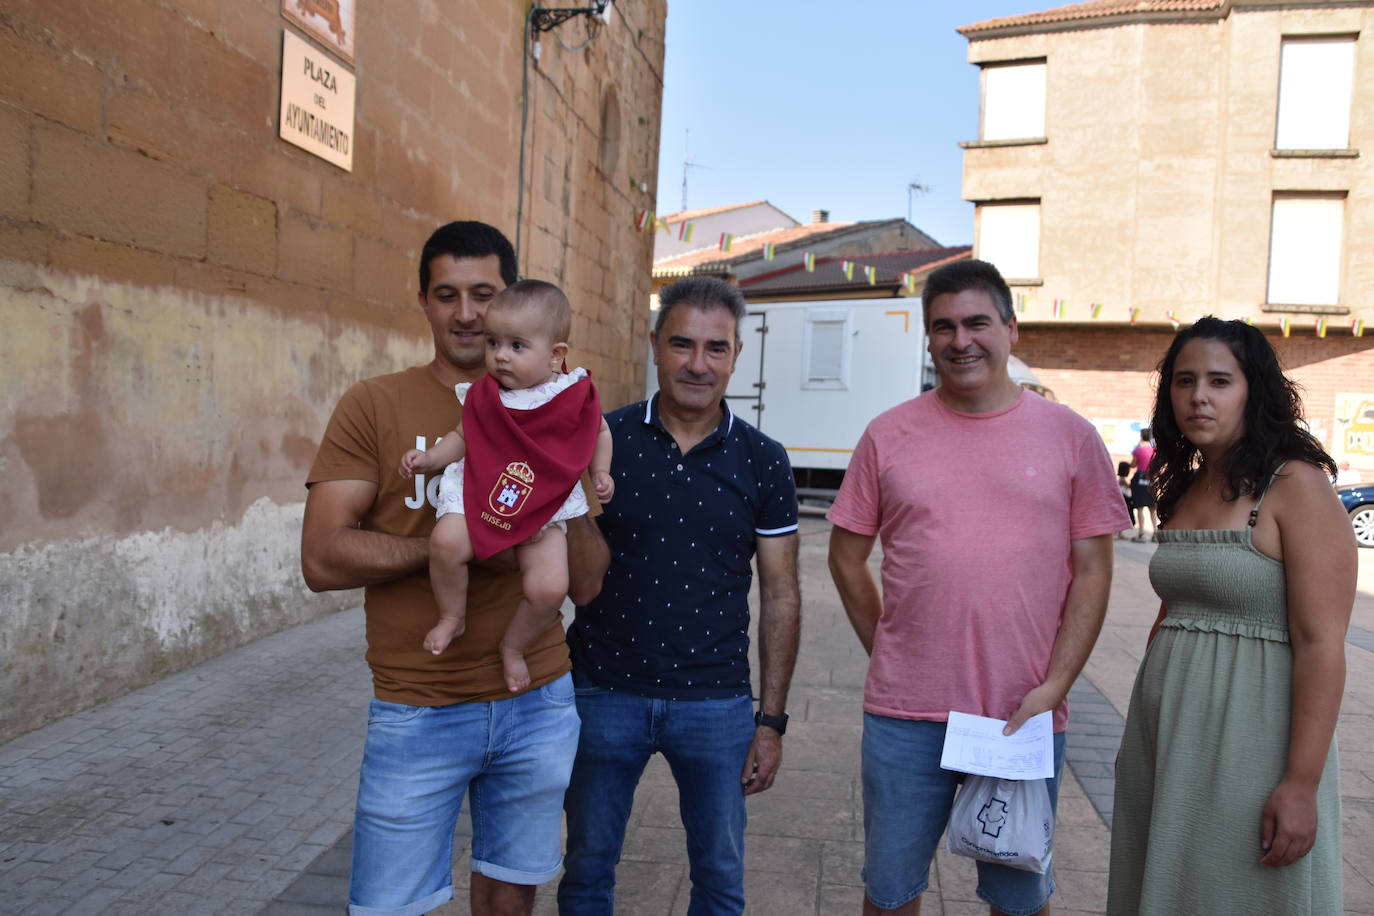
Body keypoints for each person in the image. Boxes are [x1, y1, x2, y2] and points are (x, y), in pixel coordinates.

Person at [301, 221, 610, 916]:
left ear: (515, 301)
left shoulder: (563, 413)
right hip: (419, 704)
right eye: (447, 295)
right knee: (390, 906)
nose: (467, 315)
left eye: (484, 294)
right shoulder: (375, 405)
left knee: (510, 897)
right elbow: (321, 558)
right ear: (424, 302)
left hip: (537, 697)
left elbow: (585, 584)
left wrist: (564, 474)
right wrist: (468, 545)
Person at [826, 259, 1129, 916]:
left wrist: (1056, 686)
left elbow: (1095, 571)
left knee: (1019, 898)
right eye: (943, 327)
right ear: (928, 338)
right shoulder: (888, 434)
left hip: (1019, 712)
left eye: (976, 323)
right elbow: (846, 557)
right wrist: (887, 645)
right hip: (905, 716)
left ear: (1011, 330)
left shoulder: (1071, 437)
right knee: (889, 892)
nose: (960, 340)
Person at [557, 275, 802, 916]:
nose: (698, 364)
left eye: (716, 348)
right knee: (585, 874)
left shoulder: (764, 459)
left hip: (716, 704)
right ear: (655, 346)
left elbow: (781, 595)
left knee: (720, 882)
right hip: (603, 692)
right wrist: (582, 498)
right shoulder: (601, 443)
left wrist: (769, 722)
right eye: (682, 344)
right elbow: (575, 579)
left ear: (737, 354)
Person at [1107, 317, 1353, 915]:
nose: (1198, 396)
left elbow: (1323, 643)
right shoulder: (1184, 488)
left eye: (1220, 380)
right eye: (1185, 380)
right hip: (1168, 734)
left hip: (1252, 738)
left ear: (1254, 391)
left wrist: (1301, 785)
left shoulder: (1295, 485)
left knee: (1237, 891)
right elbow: (1176, 611)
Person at [399, 279, 614, 693]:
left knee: (549, 587)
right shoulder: (484, 394)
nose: (500, 357)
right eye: (493, 342)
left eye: (517, 346)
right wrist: (431, 459)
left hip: (545, 500)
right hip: (484, 484)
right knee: (445, 543)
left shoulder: (571, 395)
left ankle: (513, 647)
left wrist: (601, 472)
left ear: (556, 355)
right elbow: (462, 437)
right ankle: (451, 615)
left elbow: (598, 432)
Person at [1130, 428, 1157, 541]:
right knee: (1152, 508)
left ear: (1141, 436)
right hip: (1151, 479)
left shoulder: (1138, 451)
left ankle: (1141, 532)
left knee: (1140, 507)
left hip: (1140, 479)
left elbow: (1133, 464)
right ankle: (1155, 533)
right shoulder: (1155, 451)